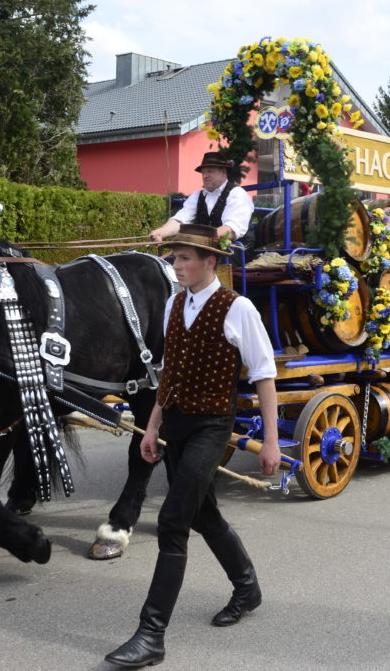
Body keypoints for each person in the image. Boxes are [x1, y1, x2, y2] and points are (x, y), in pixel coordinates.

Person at [104, 223, 280, 668]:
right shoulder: (173, 304)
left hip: (211, 427)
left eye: (184, 258)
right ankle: (247, 587)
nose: (176, 265)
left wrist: (270, 443)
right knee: (204, 513)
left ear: (210, 261)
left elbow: (264, 376)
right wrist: (151, 427)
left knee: (173, 521)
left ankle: (151, 634)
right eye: (175, 257)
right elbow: (169, 374)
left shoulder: (238, 308)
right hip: (176, 424)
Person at [149, 152, 255, 244]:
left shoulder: (237, 194)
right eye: (203, 172)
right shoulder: (197, 196)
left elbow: (230, 230)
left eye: (209, 171)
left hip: (236, 251)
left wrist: (197, 241)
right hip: (204, 250)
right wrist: (161, 232)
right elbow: (180, 220)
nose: (205, 175)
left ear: (223, 172)